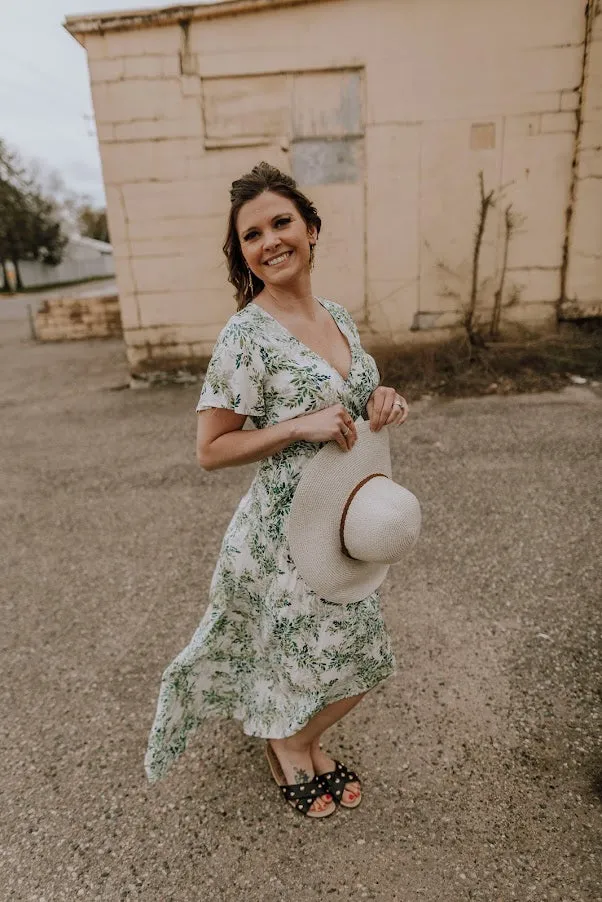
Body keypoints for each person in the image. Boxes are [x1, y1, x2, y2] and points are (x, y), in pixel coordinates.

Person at [144, 162, 409, 818]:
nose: (269, 241)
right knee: (302, 658)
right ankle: (290, 747)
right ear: (245, 254)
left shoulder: (339, 317)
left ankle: (297, 735)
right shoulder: (244, 337)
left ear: (312, 229)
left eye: (281, 222)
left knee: (361, 659)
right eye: (252, 235)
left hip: (344, 515)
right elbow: (211, 450)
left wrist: (381, 397)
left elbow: (351, 395)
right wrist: (296, 428)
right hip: (283, 534)